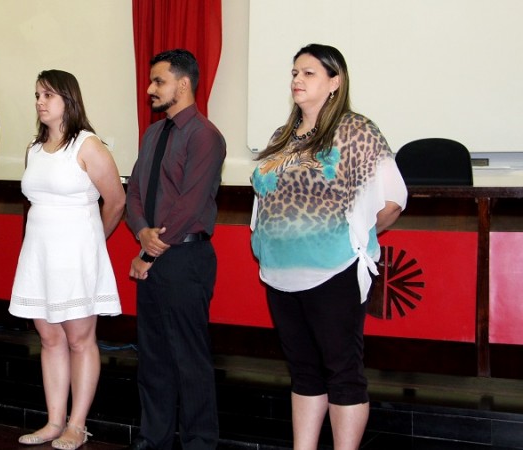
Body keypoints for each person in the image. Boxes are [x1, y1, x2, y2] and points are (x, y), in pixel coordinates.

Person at [249, 44, 407, 450]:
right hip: (281, 272)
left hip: (334, 271)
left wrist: (354, 240)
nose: (297, 80)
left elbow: (391, 201)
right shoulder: (281, 137)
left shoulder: (357, 130)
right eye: (294, 72)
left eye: (309, 73)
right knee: (303, 371)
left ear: (334, 82)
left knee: (342, 370)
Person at [9, 70, 125, 450]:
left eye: (48, 95)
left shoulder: (88, 145)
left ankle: (78, 424)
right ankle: (54, 420)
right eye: (37, 95)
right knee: (49, 337)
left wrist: (93, 243)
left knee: (79, 339)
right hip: (39, 252)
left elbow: (116, 201)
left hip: (76, 254)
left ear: (68, 101)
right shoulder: (34, 148)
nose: (40, 102)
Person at [125, 49, 226, 450]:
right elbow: (133, 191)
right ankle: (155, 438)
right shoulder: (153, 133)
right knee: (153, 358)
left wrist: (150, 250)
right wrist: (142, 232)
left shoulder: (205, 136)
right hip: (154, 255)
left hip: (185, 259)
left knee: (190, 359)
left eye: (158, 81)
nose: (150, 89)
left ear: (182, 85)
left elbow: (190, 203)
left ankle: (200, 443)